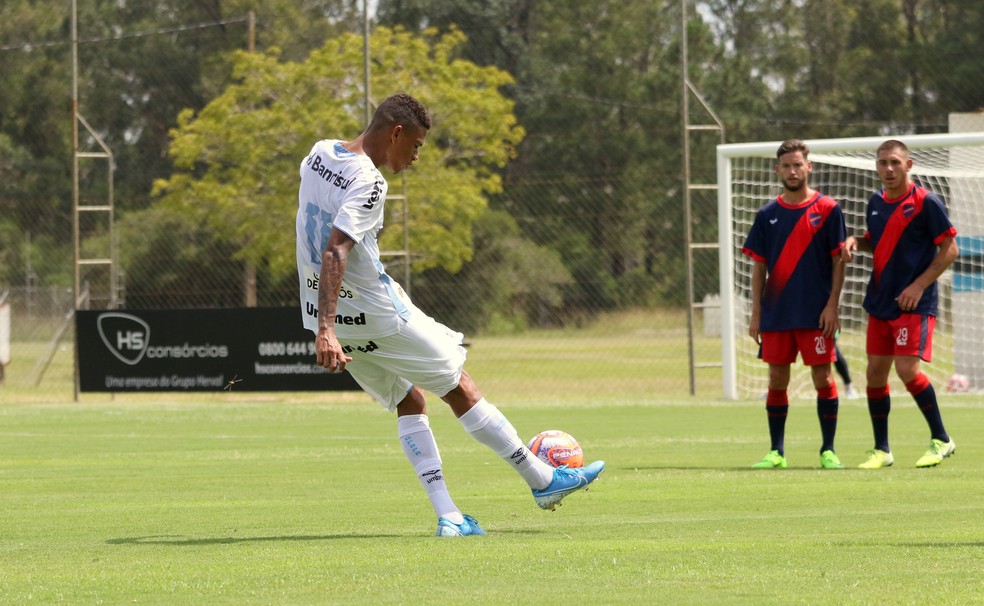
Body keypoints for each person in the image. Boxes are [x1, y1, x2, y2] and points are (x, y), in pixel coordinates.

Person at [295, 93, 605, 536]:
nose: (417, 156)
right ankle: (543, 481)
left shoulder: (319, 153)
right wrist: (328, 330)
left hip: (325, 315)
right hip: (375, 313)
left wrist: (325, 326)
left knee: (410, 399)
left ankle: (450, 516)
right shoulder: (371, 183)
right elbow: (335, 252)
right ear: (396, 132)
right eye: (416, 145)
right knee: (459, 385)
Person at [842, 139, 958, 469]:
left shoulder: (926, 202)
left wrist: (919, 286)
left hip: (914, 304)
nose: (888, 169)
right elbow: (876, 243)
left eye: (894, 162)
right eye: (882, 163)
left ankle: (942, 439)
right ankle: (881, 449)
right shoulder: (876, 202)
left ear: (909, 165)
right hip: (880, 300)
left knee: (906, 369)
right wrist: (855, 242)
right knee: (875, 374)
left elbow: (950, 250)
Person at [741, 139, 847, 470]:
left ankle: (828, 450)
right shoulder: (767, 214)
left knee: (823, 379)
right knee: (776, 380)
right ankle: (776, 452)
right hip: (777, 313)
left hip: (816, 313)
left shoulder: (829, 209)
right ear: (778, 170)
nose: (792, 170)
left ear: (808, 167)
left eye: (797, 164)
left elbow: (839, 262)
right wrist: (756, 312)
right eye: (786, 166)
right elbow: (759, 267)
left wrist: (833, 306)